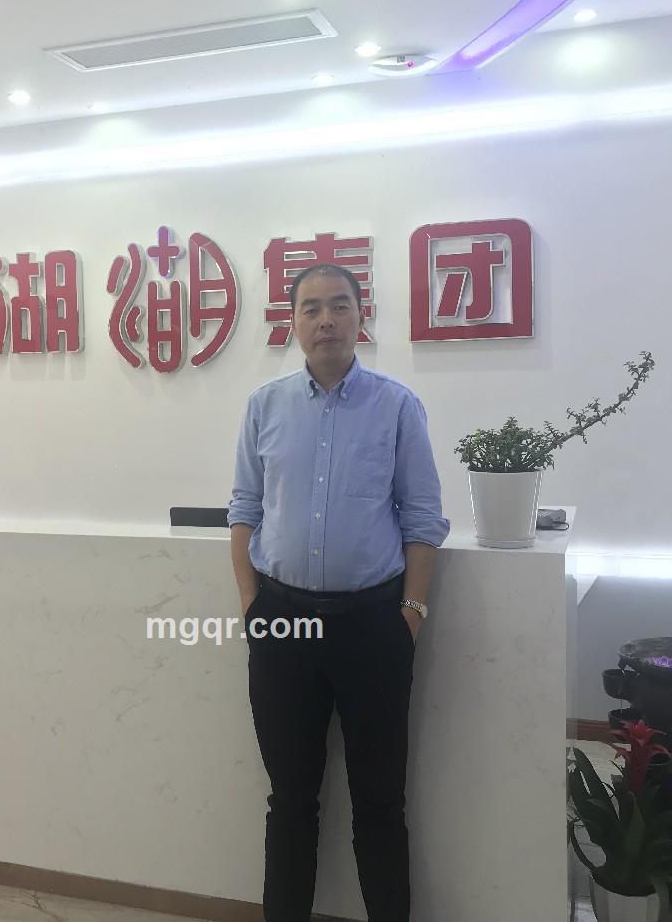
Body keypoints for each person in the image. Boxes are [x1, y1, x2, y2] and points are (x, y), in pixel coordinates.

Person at [227, 262, 450, 922]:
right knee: (290, 799)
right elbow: (243, 509)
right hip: (282, 623)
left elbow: (423, 518)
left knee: (381, 800)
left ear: (360, 316)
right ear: (293, 322)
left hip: (373, 626)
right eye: (311, 308)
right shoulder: (264, 407)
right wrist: (251, 606)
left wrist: (411, 612)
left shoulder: (397, 406)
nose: (326, 319)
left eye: (339, 306)